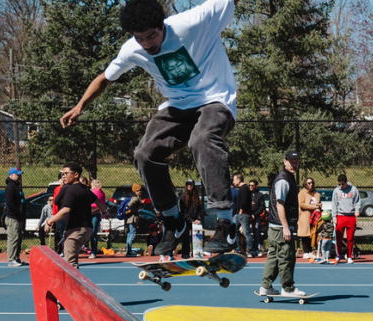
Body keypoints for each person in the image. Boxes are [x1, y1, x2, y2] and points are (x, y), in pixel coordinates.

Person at [60, 0, 242, 256]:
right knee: (144, 154)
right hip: (177, 106)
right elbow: (105, 78)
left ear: (162, 26)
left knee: (201, 139)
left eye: (152, 36)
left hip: (215, 99)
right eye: (140, 38)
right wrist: (80, 106)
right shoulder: (131, 49)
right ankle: (173, 221)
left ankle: (225, 222)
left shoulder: (193, 22)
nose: (147, 44)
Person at [43, 163, 109, 268]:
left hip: (76, 229)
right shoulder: (85, 189)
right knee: (71, 260)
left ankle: (73, 284)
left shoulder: (71, 190)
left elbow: (66, 210)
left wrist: (49, 221)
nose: (63, 176)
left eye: (66, 173)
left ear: (76, 174)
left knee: (70, 264)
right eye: (62, 174)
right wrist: (104, 212)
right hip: (87, 229)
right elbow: (97, 199)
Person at [259, 150, 306, 297]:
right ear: (284, 161)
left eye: (297, 161)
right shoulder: (284, 180)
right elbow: (280, 205)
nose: (294, 164)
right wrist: (286, 227)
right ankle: (288, 288)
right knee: (286, 257)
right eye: (292, 162)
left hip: (276, 227)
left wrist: (293, 223)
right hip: (280, 227)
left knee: (273, 256)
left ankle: (265, 287)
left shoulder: (287, 178)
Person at [332, 174, 361, 264]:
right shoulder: (336, 191)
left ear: (346, 182)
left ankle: (349, 256)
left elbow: (357, 201)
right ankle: (338, 255)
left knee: (350, 238)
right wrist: (334, 217)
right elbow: (334, 204)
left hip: (351, 216)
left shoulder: (353, 189)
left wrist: (357, 210)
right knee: (338, 237)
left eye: (343, 184)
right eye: (339, 184)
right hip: (340, 216)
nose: (341, 186)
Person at [4, 167, 25, 266]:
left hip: (18, 217)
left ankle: (16, 257)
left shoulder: (16, 186)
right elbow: (10, 202)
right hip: (13, 217)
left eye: (19, 174)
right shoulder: (11, 187)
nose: (19, 176)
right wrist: (17, 212)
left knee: (18, 238)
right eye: (17, 174)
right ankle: (11, 259)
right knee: (13, 238)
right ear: (11, 175)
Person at [180, 179, 205, 258]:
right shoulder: (183, 197)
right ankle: (185, 254)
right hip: (186, 220)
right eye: (188, 184)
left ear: (193, 185)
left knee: (196, 237)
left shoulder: (196, 196)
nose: (189, 186)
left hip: (195, 221)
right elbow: (183, 212)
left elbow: (199, 209)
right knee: (185, 237)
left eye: (191, 184)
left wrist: (198, 219)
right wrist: (191, 220)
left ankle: (196, 253)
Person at [297, 177, 321, 259]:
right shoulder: (302, 193)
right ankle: (305, 251)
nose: (311, 184)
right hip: (305, 216)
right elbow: (302, 204)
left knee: (312, 233)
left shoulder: (316, 194)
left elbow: (319, 203)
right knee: (305, 234)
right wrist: (313, 207)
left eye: (312, 183)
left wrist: (319, 206)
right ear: (305, 184)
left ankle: (310, 251)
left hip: (314, 216)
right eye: (309, 183)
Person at [233, 174, 252, 255]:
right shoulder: (241, 188)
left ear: (239, 180)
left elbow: (243, 201)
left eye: (234, 179)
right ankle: (238, 249)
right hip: (239, 214)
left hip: (243, 214)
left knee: (246, 232)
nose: (233, 181)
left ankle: (251, 250)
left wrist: (241, 211)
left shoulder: (244, 188)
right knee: (235, 231)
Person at [89, 179, 106, 258]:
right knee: (93, 233)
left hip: (94, 214)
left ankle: (93, 251)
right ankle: (92, 250)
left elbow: (96, 204)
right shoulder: (101, 193)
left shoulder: (95, 192)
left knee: (92, 233)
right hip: (94, 214)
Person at [125, 184, 144, 257]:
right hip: (132, 219)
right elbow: (129, 206)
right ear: (135, 191)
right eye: (138, 190)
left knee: (130, 234)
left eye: (141, 190)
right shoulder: (135, 198)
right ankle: (129, 251)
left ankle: (128, 250)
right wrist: (136, 210)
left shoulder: (134, 198)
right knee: (132, 235)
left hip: (130, 219)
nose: (140, 191)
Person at [248, 179, 265, 257]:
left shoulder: (260, 195)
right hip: (247, 216)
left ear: (256, 186)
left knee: (256, 233)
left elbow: (262, 206)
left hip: (256, 217)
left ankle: (256, 249)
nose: (251, 187)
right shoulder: (247, 194)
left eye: (252, 185)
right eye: (249, 185)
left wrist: (255, 214)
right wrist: (249, 213)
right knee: (246, 233)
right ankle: (248, 249)